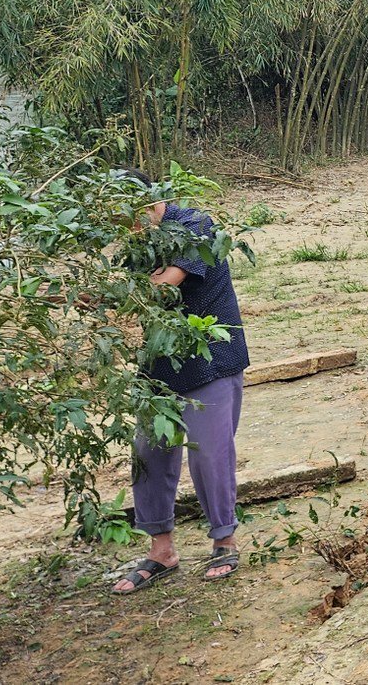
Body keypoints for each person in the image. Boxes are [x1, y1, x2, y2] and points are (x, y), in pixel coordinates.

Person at [112, 170, 251, 593]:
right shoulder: (137, 245)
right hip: (159, 364)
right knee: (148, 453)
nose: (124, 223)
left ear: (151, 198)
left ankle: (224, 540)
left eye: (128, 210)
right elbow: (123, 291)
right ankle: (161, 551)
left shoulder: (196, 226)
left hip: (211, 359)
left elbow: (160, 286)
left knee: (209, 454)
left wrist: (107, 293)